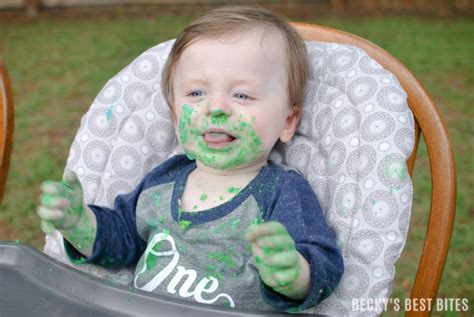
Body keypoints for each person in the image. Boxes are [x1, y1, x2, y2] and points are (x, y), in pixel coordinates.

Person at [37, 6, 343, 312]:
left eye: (243, 95)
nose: (216, 108)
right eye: (196, 93)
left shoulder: (281, 192)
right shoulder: (163, 182)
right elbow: (122, 240)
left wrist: (294, 274)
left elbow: (325, 264)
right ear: (174, 118)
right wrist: (78, 223)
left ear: (288, 121)